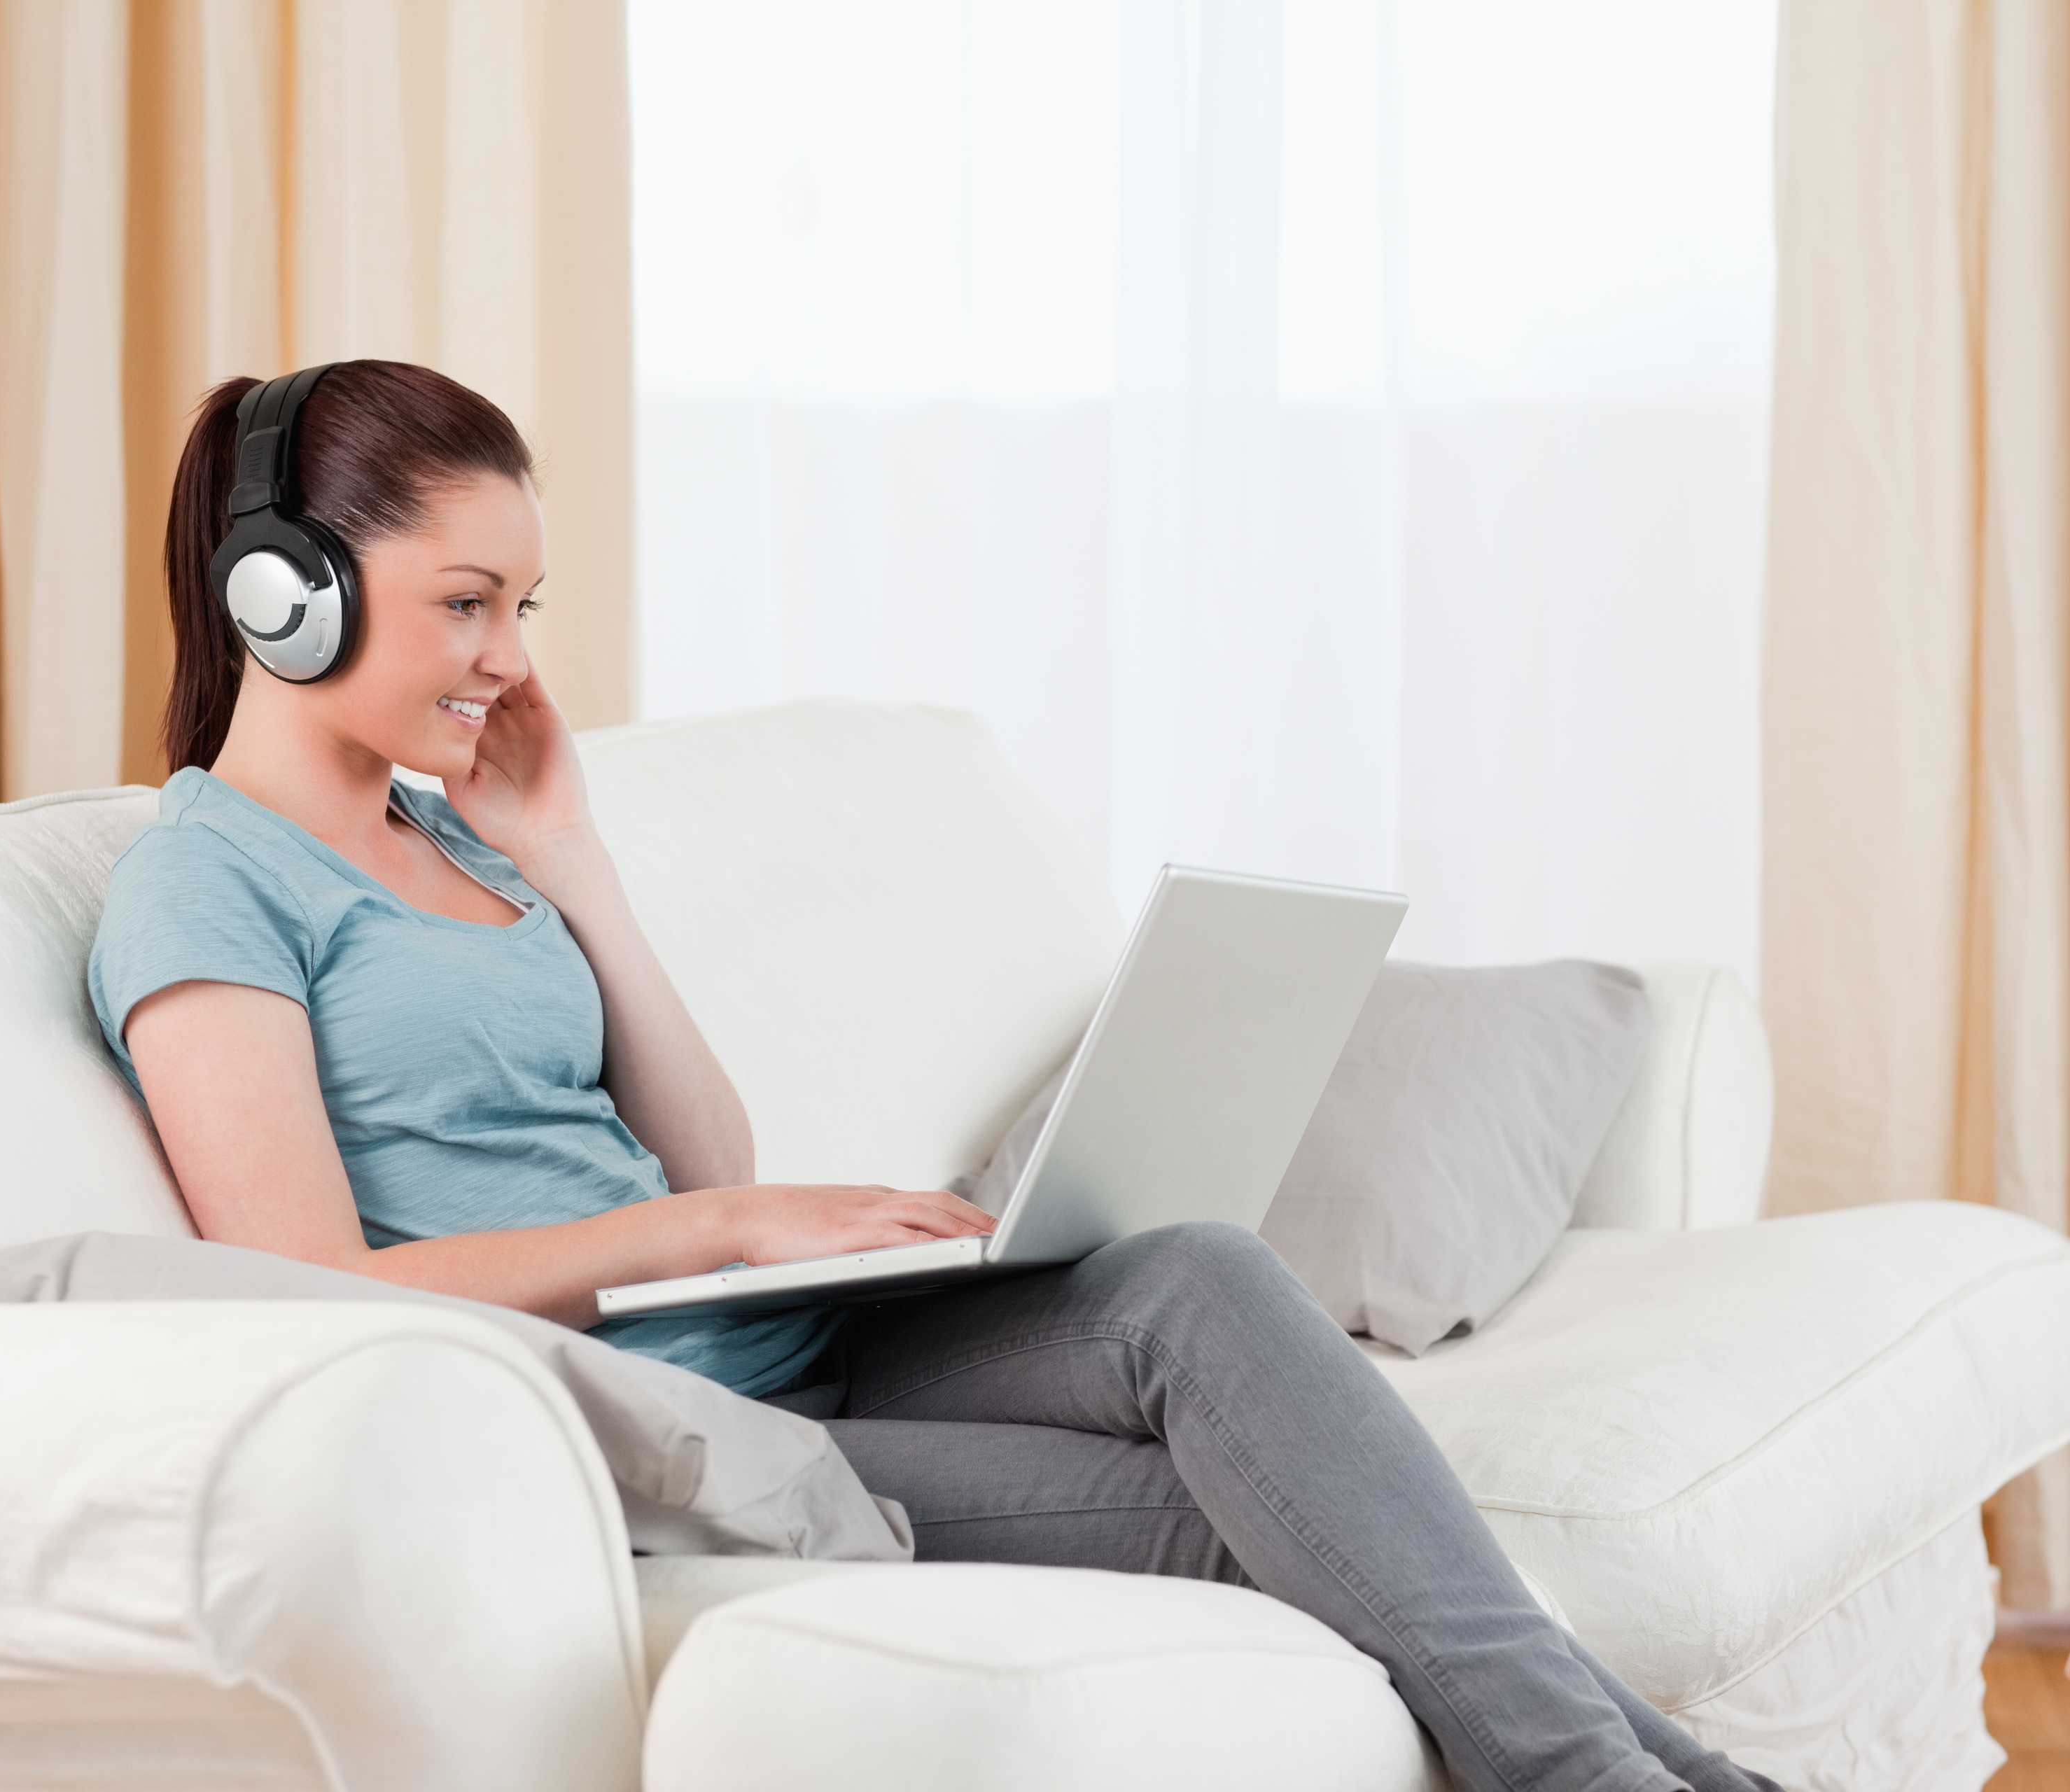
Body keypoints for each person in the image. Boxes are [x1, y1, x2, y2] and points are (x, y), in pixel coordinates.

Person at [90, 358, 1786, 1792]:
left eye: (520, 610)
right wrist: (713, 1232)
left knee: (1197, 1273)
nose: (513, 661)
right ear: (282, 593)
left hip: (798, 1344)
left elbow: (706, 1150)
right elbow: (310, 1289)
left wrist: (573, 858)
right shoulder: (207, 882)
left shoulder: (475, 838)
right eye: (466, 604)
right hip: (671, 1435)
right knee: (1279, 1503)